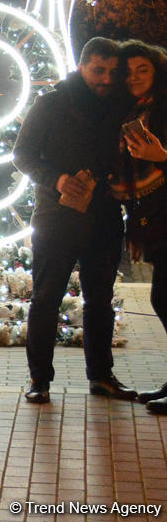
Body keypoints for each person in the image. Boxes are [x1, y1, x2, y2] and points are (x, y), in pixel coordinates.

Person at [13, 37, 133, 404]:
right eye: (99, 70)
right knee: (47, 299)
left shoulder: (122, 106)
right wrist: (58, 180)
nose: (106, 79)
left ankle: (101, 376)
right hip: (57, 217)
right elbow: (22, 154)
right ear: (82, 66)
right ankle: (40, 381)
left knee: (100, 301)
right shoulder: (52, 104)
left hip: (104, 218)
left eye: (113, 72)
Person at [108, 41, 167, 412]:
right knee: (162, 297)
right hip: (155, 217)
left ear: (157, 70)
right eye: (127, 72)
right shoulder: (131, 112)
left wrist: (162, 156)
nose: (134, 77)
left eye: (142, 69)